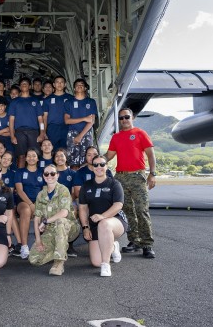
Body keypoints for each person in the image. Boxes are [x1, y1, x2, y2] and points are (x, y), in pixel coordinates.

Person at [105, 107, 157, 259]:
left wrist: (152, 174)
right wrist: (94, 161)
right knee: (127, 211)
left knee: (141, 210)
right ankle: (134, 241)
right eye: (121, 118)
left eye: (126, 117)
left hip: (137, 176)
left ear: (132, 117)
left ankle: (147, 244)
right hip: (121, 177)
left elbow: (151, 155)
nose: (124, 120)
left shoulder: (140, 133)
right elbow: (109, 156)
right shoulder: (116, 137)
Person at [79, 155, 128, 277]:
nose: (99, 167)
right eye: (95, 165)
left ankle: (106, 265)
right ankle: (112, 246)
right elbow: (83, 208)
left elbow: (118, 205)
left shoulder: (114, 184)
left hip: (116, 221)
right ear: (91, 167)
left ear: (106, 166)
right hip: (95, 224)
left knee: (104, 224)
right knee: (96, 262)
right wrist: (85, 227)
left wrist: (102, 216)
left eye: (102, 164)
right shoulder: (86, 186)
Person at [29, 164, 80, 275]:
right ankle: (59, 249)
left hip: (69, 227)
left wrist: (46, 221)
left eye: (52, 173)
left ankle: (59, 262)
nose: (49, 176)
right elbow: (36, 219)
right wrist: (38, 240)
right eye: (46, 174)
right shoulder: (41, 195)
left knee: (60, 221)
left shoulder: (63, 190)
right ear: (43, 176)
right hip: (51, 230)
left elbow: (64, 213)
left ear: (57, 175)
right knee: (34, 259)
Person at [8, 77, 46, 168]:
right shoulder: (14, 102)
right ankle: (20, 178)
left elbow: (40, 119)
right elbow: (11, 120)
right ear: (20, 87)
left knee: (35, 156)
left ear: (30, 86)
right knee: (21, 156)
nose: (24, 85)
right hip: (19, 132)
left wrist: (42, 133)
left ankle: (36, 177)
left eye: (26, 84)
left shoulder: (35, 101)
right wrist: (12, 135)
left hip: (33, 132)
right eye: (22, 84)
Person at [14, 148, 44, 259]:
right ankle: (24, 246)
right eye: (29, 156)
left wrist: (38, 203)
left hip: (39, 201)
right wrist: (32, 204)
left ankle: (43, 245)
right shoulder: (19, 172)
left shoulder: (42, 171)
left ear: (37, 158)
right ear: (25, 158)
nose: (31, 158)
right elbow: (20, 191)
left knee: (45, 211)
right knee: (26, 210)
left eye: (34, 156)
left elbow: (45, 189)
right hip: (23, 201)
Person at [64, 78, 97, 169]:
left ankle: (86, 180)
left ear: (85, 88)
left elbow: (91, 121)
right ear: (74, 88)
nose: (79, 86)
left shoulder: (91, 102)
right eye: (77, 85)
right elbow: (67, 120)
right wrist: (84, 118)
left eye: (82, 84)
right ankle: (75, 181)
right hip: (72, 133)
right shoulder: (69, 102)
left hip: (86, 133)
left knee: (87, 158)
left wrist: (80, 136)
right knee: (72, 160)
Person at [43, 75, 71, 150]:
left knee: (65, 150)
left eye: (61, 82)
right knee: (52, 150)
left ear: (65, 84)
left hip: (67, 127)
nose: (59, 84)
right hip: (52, 128)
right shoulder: (47, 99)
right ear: (54, 85)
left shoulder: (70, 98)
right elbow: (45, 117)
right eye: (57, 82)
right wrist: (44, 132)